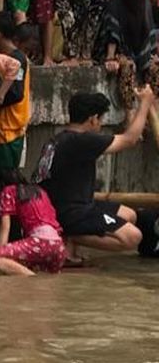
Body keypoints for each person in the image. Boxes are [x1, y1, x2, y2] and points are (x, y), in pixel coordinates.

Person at [38, 89, 155, 256]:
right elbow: (130, 139)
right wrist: (145, 103)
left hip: (66, 205)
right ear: (93, 119)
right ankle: (70, 236)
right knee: (133, 237)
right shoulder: (81, 140)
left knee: (130, 215)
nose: (100, 125)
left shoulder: (61, 138)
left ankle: (74, 235)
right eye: (100, 120)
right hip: (68, 213)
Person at [0, 12, 30, 235]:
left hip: (8, 131)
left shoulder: (17, 59)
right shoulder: (1, 57)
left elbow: (16, 93)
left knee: (4, 185)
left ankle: (9, 232)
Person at [0, 169, 65, 276]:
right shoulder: (40, 191)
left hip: (40, 243)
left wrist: (1, 252)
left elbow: (5, 225)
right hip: (59, 247)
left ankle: (33, 278)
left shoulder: (9, 190)